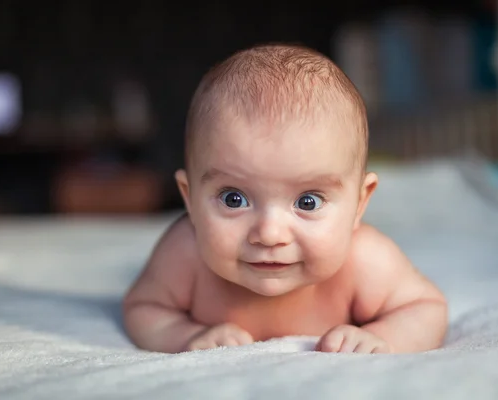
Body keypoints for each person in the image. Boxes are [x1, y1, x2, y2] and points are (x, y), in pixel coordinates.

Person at [122, 44, 448, 354]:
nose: (269, 233)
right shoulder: (185, 254)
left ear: (360, 203)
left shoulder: (364, 260)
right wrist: (186, 336)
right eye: (233, 199)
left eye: (308, 202)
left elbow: (425, 308)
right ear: (189, 199)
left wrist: (383, 338)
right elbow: (144, 307)